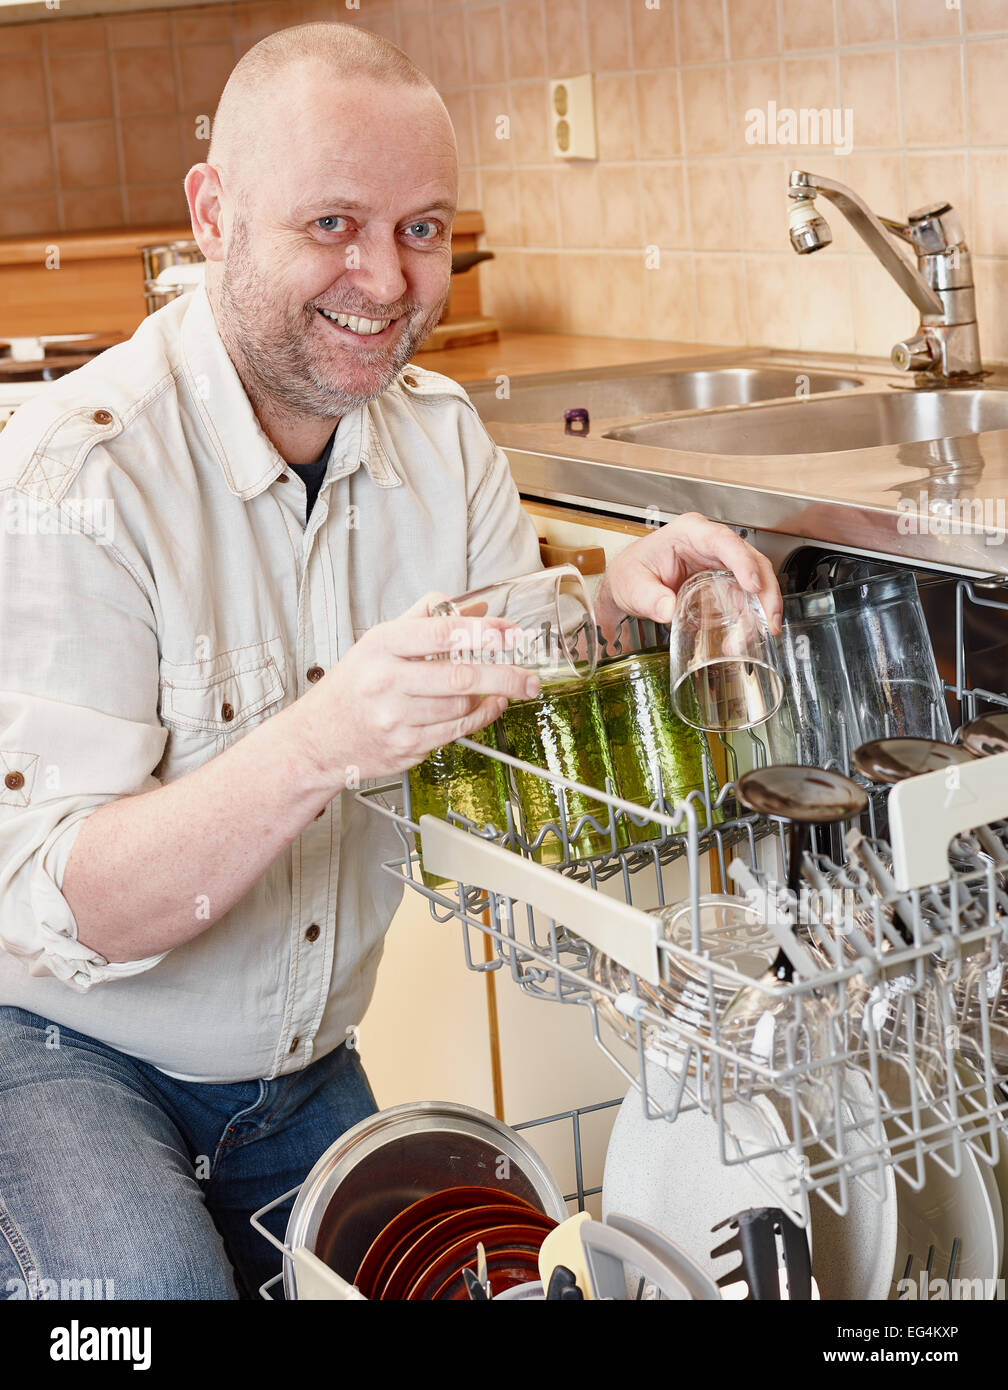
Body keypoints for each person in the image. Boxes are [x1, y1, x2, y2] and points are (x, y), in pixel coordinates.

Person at [0, 22, 781, 1301]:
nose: (384, 277)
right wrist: (322, 739)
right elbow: (70, 907)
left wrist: (617, 611)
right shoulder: (79, 475)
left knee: (489, 1273)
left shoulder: (440, 442)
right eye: (333, 225)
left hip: (299, 1066)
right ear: (214, 214)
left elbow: (495, 663)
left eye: (423, 229)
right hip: (59, 1048)